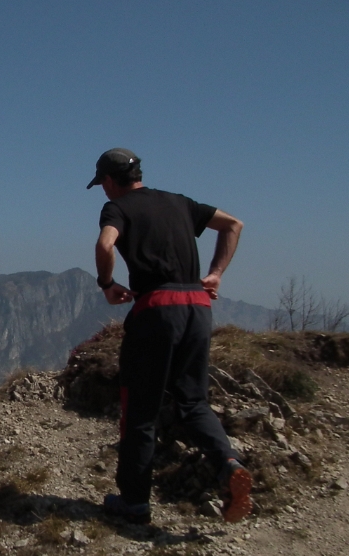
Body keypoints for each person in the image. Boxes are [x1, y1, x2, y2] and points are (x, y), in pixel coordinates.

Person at [88, 147, 253, 524]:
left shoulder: (118, 208)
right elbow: (234, 225)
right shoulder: (179, 203)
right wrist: (216, 273)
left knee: (140, 410)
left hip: (157, 310)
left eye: (102, 184)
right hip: (198, 307)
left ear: (111, 181)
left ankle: (134, 502)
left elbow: (105, 244)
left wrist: (107, 283)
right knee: (193, 401)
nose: (103, 191)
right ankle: (229, 463)